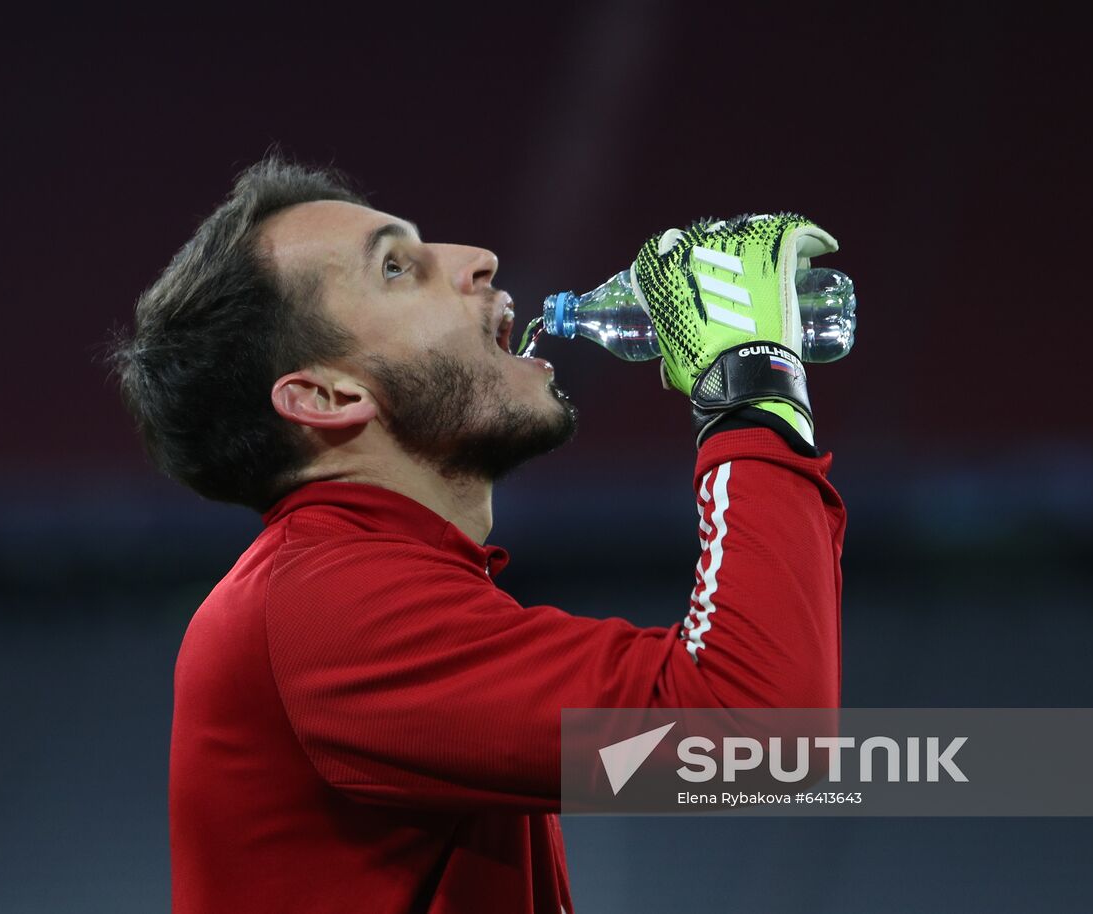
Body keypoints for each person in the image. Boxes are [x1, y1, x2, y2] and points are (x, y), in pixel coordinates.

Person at [109, 154, 846, 914]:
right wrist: (753, 394)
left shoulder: (359, 583)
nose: (476, 259)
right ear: (327, 396)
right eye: (398, 268)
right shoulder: (321, 604)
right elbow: (758, 733)